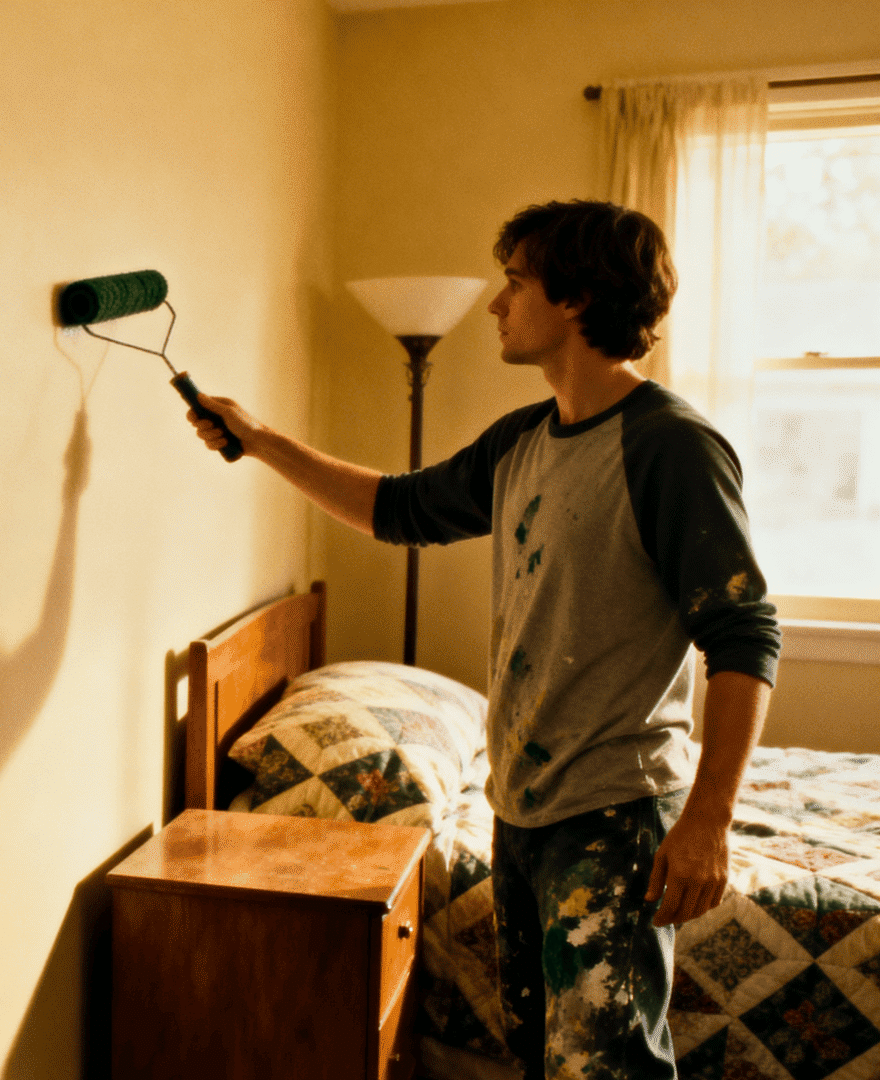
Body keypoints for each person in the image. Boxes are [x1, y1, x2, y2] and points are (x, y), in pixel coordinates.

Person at [189, 199, 779, 1080]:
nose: (498, 305)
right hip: (519, 807)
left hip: (614, 813)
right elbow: (396, 509)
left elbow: (744, 632)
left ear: (576, 299)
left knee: (604, 1070)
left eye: (515, 281)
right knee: (541, 1060)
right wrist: (262, 441)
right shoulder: (522, 441)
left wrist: (708, 822)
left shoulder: (671, 447)